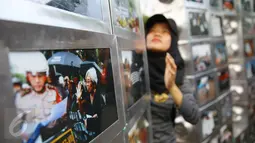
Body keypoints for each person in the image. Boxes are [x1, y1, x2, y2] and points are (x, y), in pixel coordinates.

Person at [145, 14, 200, 143]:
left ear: (173, 40)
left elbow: (194, 116)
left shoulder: (176, 75)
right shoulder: (135, 68)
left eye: (164, 32)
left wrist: (172, 86)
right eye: (152, 31)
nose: (157, 34)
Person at [14, 52, 62, 142]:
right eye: (33, 76)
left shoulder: (53, 92)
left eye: (40, 76)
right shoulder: (21, 98)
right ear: (28, 77)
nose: (37, 80)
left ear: (45, 76)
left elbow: (60, 117)